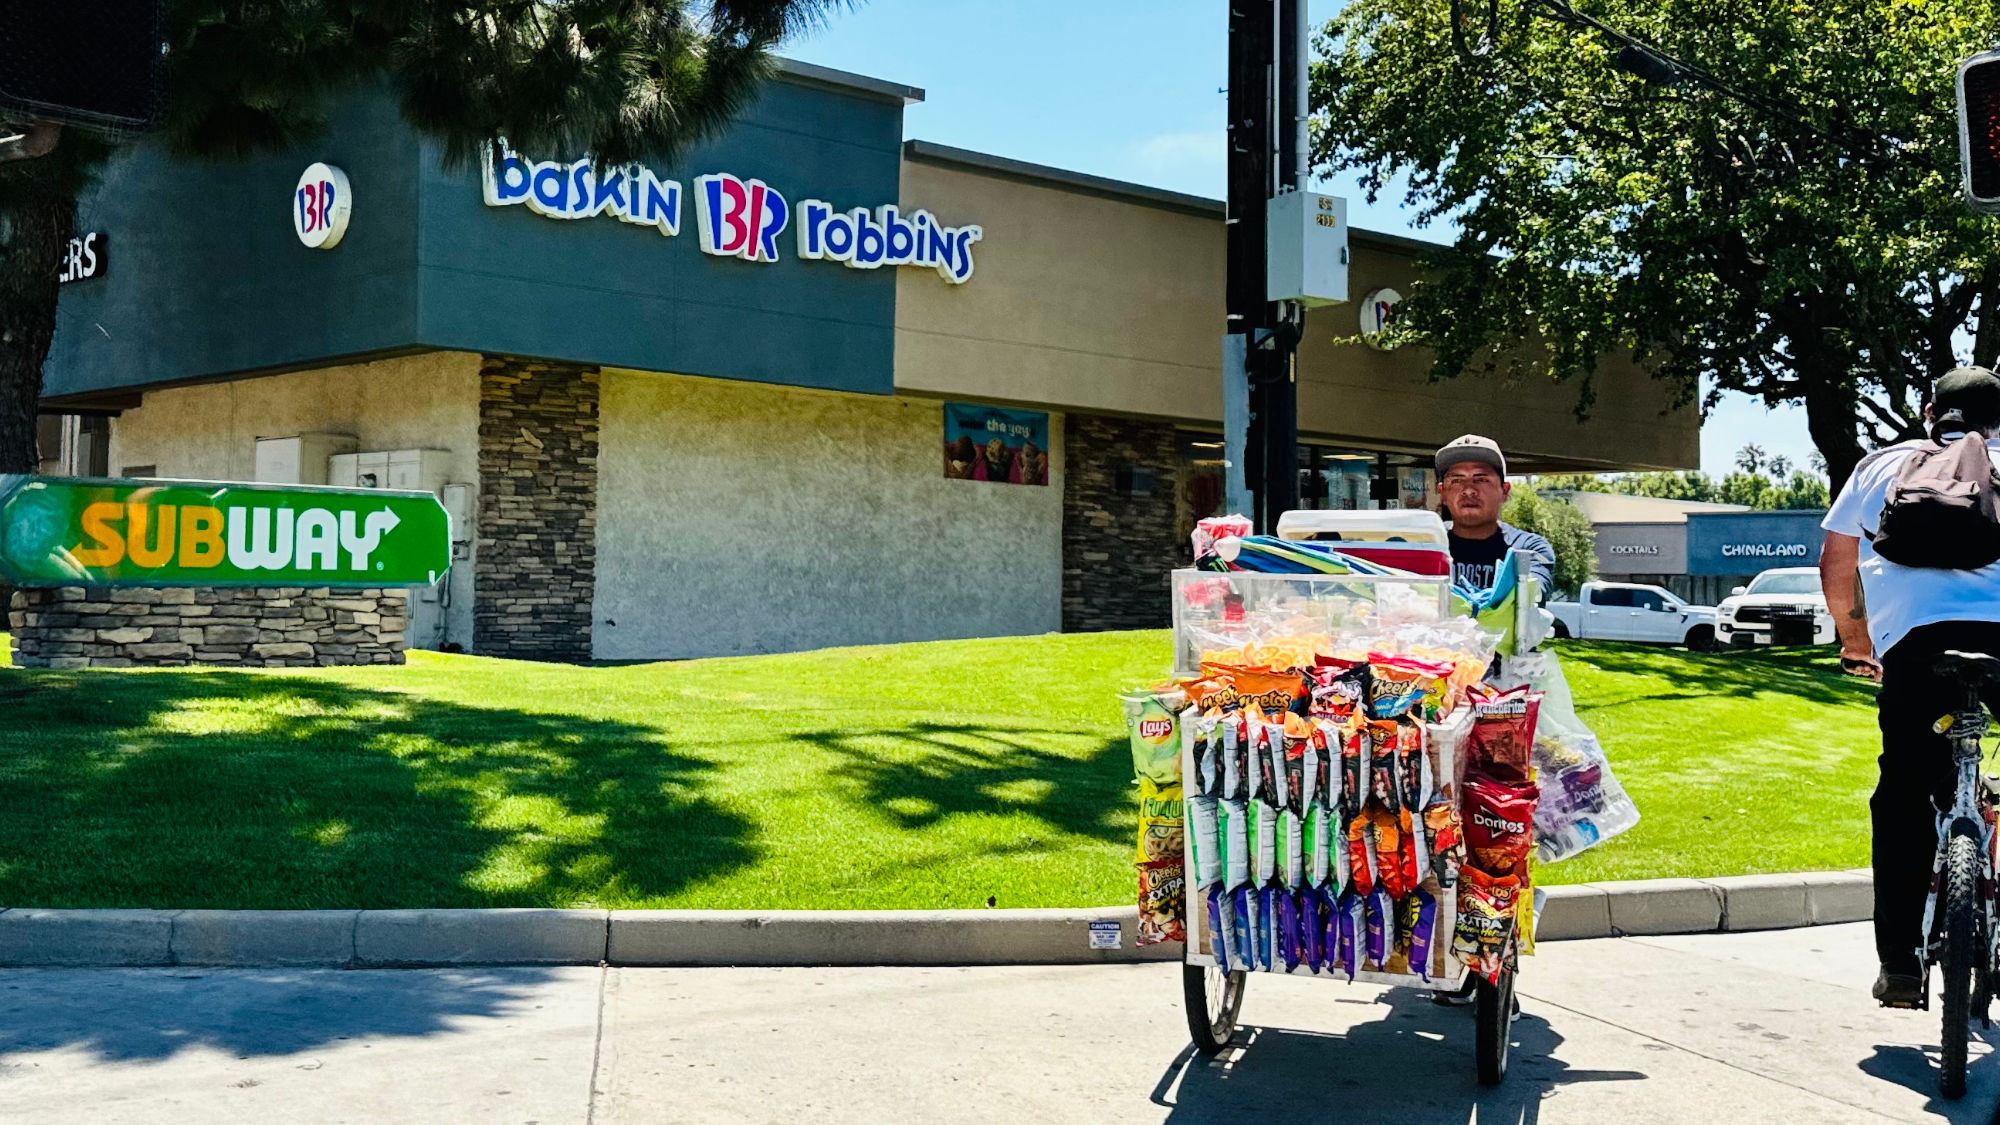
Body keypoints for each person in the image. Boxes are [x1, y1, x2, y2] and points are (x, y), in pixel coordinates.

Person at [1820, 365, 2000, 1009]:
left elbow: (1837, 560)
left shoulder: (1881, 465)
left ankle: (1899, 964)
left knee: (1901, 791)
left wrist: (1855, 640)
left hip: (1918, 646)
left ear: (1930, 413)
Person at [1434, 435, 1556, 596]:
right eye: (1457, 480)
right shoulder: (1426, 543)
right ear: (1442, 493)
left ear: (1504, 491)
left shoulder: (1527, 548)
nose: (1469, 490)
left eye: (1481, 479)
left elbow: (1532, 594)